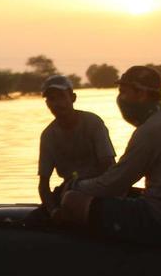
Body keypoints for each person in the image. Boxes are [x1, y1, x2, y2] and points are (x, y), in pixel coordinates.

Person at [56, 65, 161, 241]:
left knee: (73, 200)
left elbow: (113, 184)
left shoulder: (152, 130)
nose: (120, 99)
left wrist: (74, 186)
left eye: (123, 92)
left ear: (141, 94)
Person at [36, 74, 115, 213]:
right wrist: (53, 211)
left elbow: (109, 165)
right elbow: (43, 184)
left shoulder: (93, 122)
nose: (57, 103)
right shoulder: (48, 135)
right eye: (51, 99)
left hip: (99, 189)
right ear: (47, 104)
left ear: (72, 98)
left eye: (61, 96)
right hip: (69, 190)